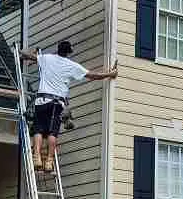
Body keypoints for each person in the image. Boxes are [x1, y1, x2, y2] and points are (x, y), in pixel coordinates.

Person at [20, 41, 117, 172]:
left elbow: (29, 57)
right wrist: (110, 74)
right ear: (69, 52)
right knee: (52, 133)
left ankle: (36, 157)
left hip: (41, 100)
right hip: (56, 103)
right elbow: (93, 75)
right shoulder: (71, 66)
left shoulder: (46, 58)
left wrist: (23, 53)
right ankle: (49, 162)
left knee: (38, 130)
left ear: (58, 49)